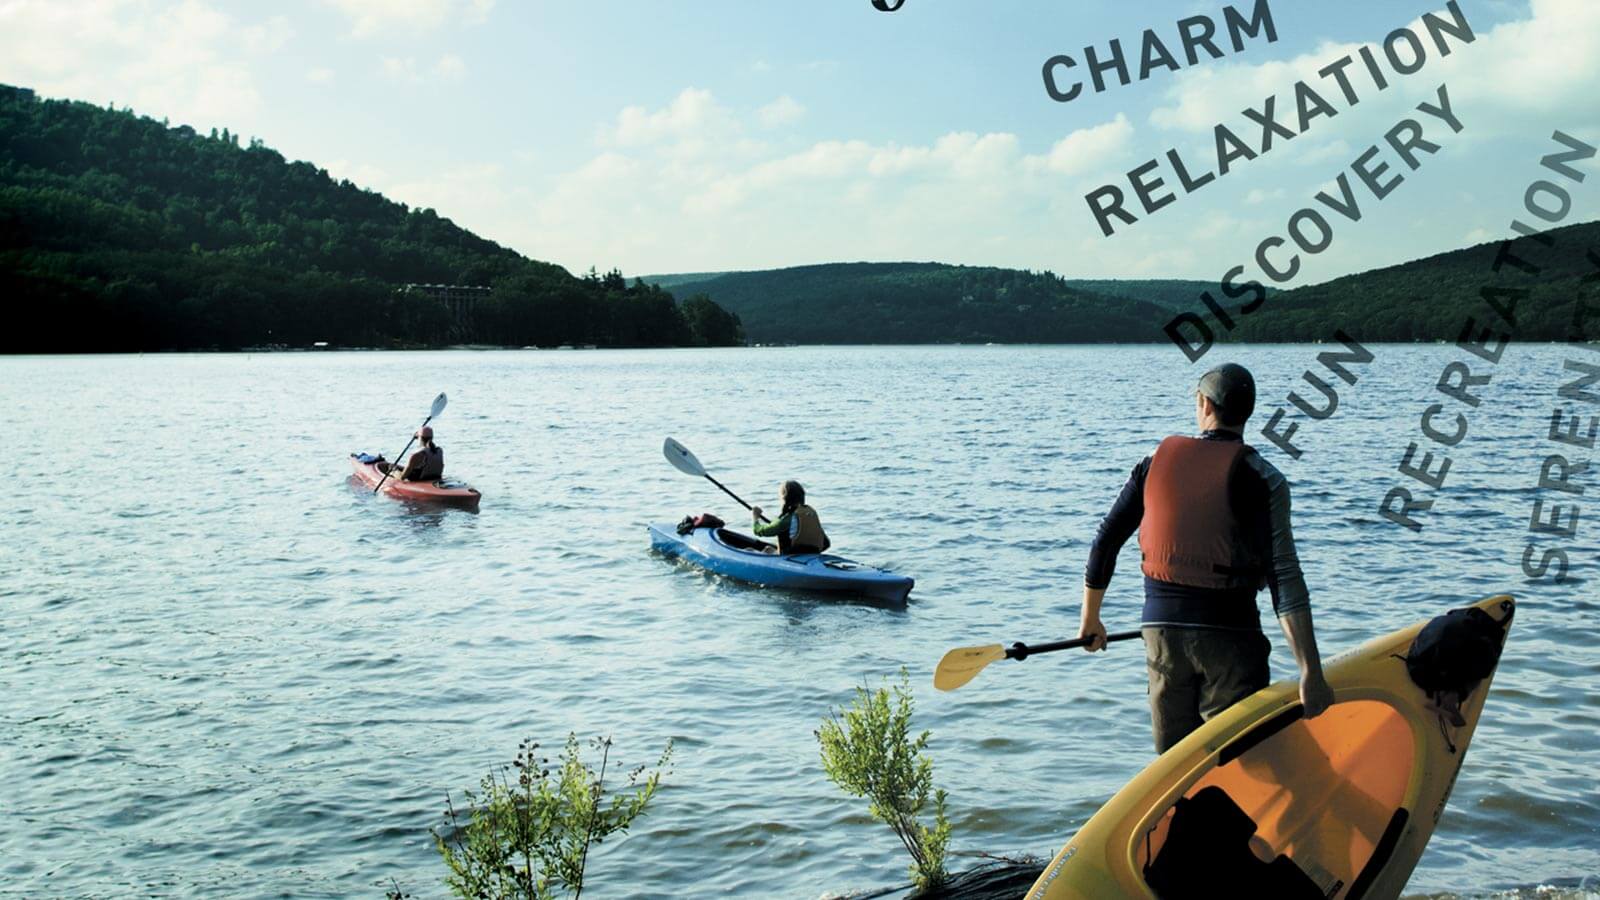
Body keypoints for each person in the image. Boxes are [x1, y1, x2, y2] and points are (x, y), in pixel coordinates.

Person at [1077, 363, 1334, 753]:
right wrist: (1309, 671)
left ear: (1203, 404)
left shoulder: (1153, 462)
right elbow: (1285, 578)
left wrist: (1091, 620)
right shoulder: (1265, 478)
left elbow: (1106, 540)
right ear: (1247, 412)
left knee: (1179, 771)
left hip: (1161, 636)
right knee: (1246, 765)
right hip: (1229, 641)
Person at [750, 480, 831, 555]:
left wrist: (755, 516)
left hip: (790, 558)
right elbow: (826, 544)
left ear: (784, 498)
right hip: (810, 557)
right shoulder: (809, 514)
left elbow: (758, 531)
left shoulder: (786, 519)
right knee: (768, 549)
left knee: (749, 550)